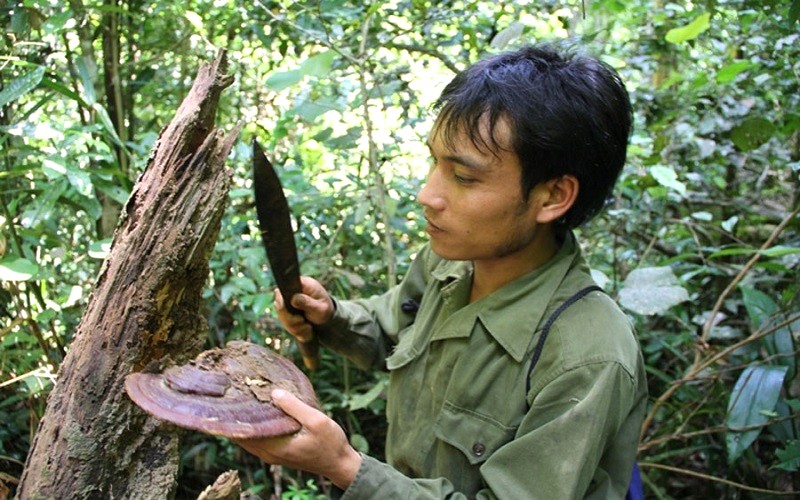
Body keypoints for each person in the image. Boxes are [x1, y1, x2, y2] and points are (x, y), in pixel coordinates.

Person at [236, 43, 648, 498]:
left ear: (552, 197)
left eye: (464, 177)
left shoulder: (587, 355)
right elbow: (392, 328)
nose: (427, 195)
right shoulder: (451, 260)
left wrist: (344, 466)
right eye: (435, 162)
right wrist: (329, 316)